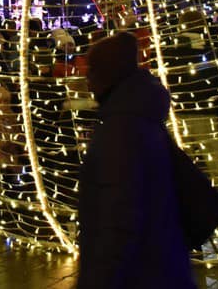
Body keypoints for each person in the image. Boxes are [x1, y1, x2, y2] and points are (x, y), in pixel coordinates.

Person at [77, 32, 194, 289]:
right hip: (166, 264)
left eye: (92, 70)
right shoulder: (142, 114)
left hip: (141, 274)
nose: (87, 80)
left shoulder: (119, 130)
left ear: (108, 74)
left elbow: (118, 221)